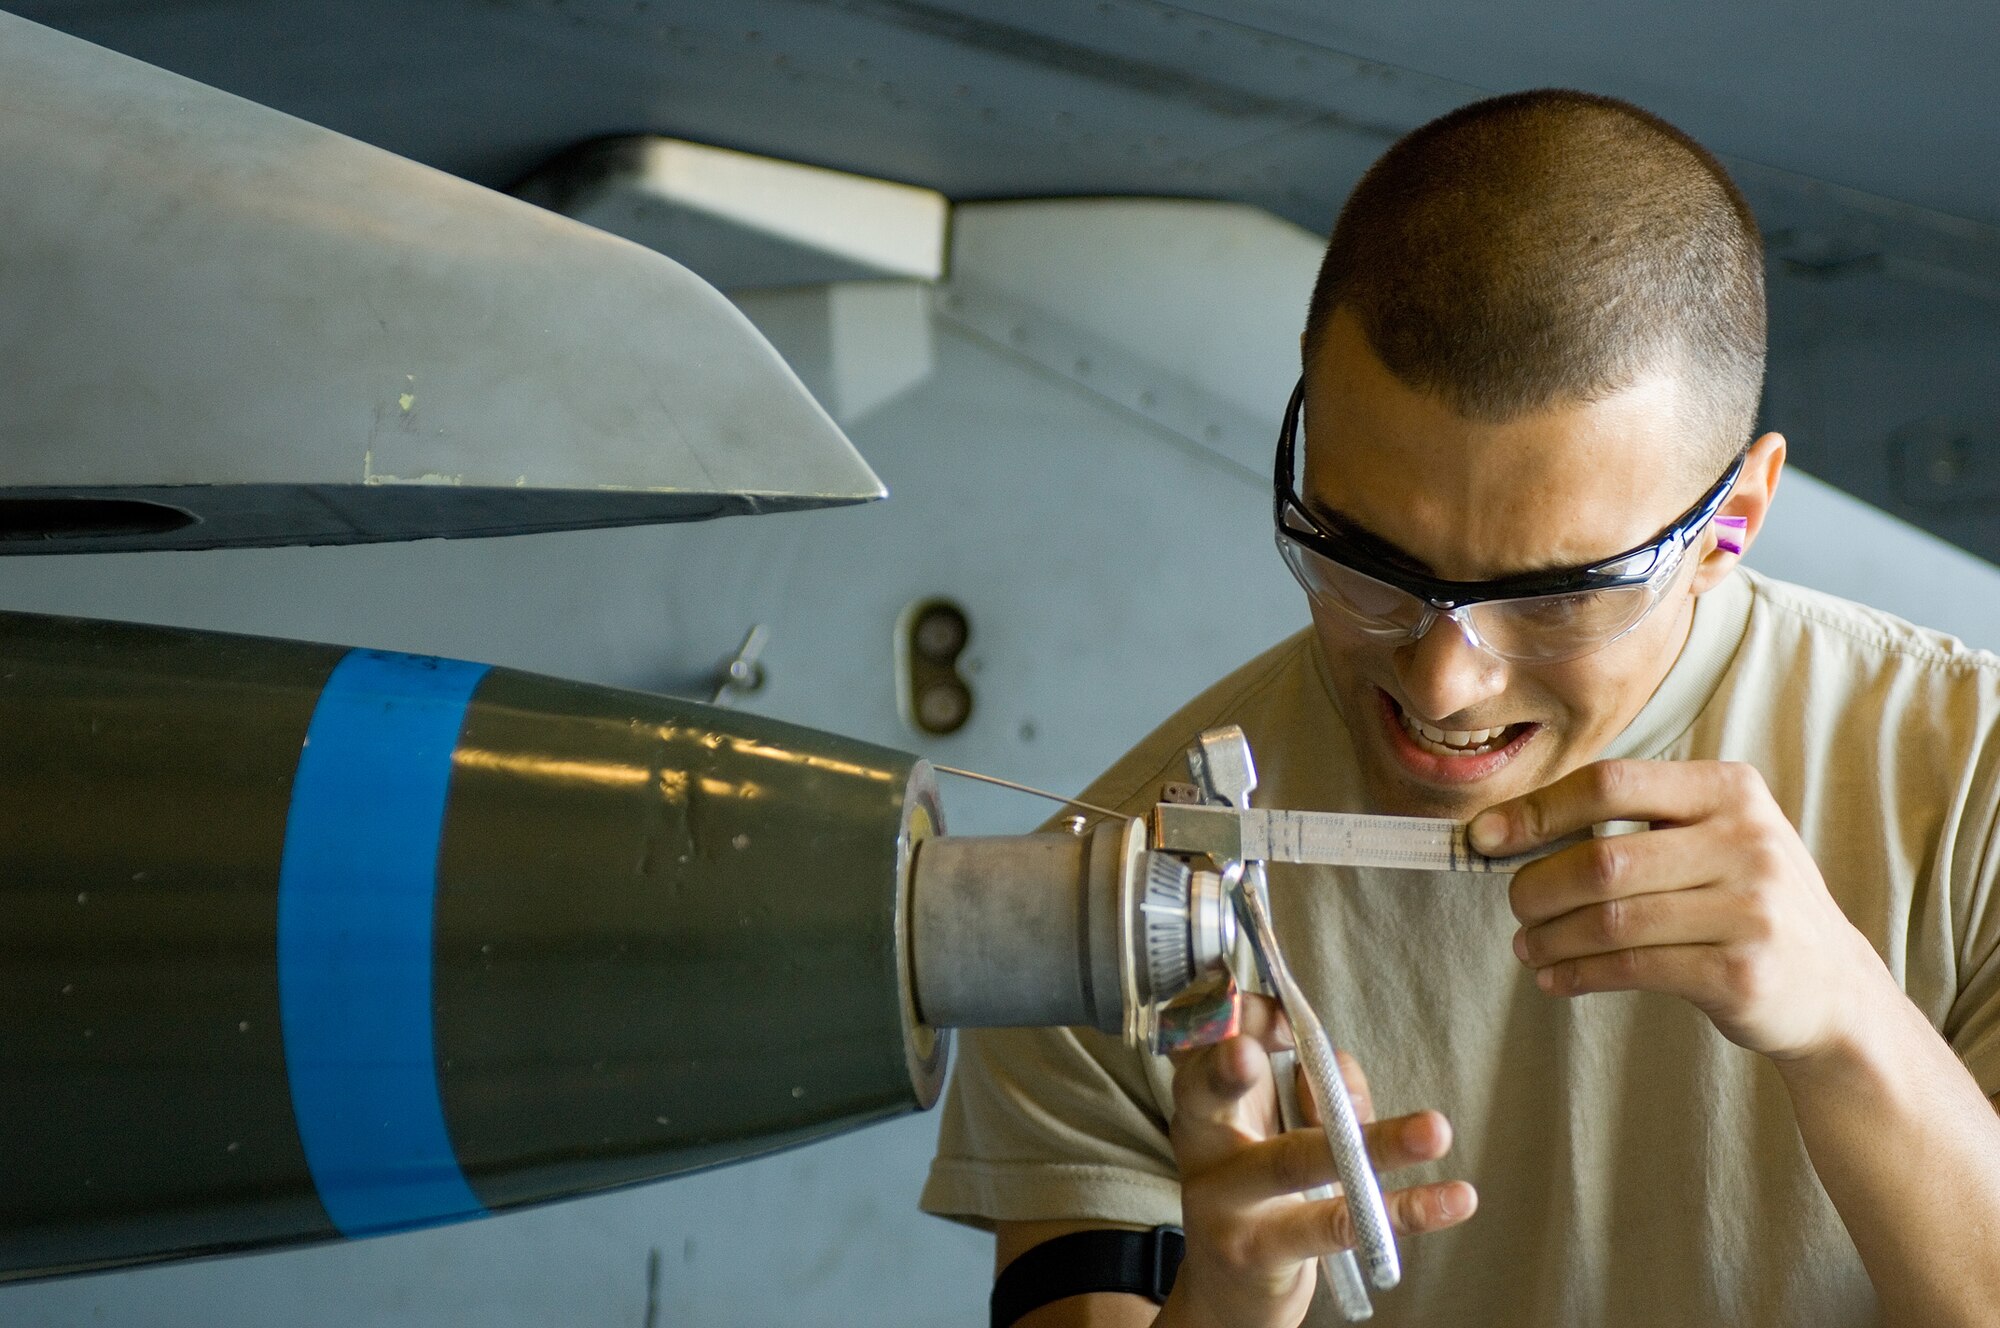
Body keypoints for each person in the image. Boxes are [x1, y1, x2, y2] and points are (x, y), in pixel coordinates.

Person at [919, 89, 2000, 1328]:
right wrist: (1226, 1297)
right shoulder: (1102, 915)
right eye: (1363, 561)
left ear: (1732, 521)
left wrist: (1852, 1030)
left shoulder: (1970, 794)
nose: (1442, 681)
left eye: (1554, 595)